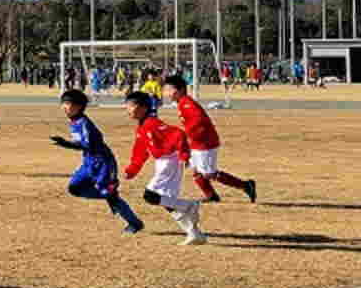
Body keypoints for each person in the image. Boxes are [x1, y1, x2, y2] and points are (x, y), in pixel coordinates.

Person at [52, 90, 145, 235]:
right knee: (74, 188)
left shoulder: (84, 123)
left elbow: (87, 144)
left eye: (68, 104)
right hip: (89, 163)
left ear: (79, 106)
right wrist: (68, 144)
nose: (64, 107)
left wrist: (67, 144)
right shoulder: (74, 121)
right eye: (63, 103)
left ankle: (134, 223)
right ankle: (108, 193)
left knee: (111, 196)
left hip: (103, 164)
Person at [120, 90, 205, 246]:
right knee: (167, 202)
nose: (128, 109)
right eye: (127, 106)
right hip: (163, 162)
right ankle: (194, 234)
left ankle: (189, 206)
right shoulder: (142, 128)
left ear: (144, 108)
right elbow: (140, 152)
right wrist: (132, 169)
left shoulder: (153, 124)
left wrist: (184, 155)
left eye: (131, 106)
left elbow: (178, 134)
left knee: (150, 196)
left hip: (170, 161)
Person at [160, 74, 256, 204]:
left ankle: (245, 185)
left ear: (180, 90)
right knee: (196, 171)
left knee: (209, 174)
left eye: (170, 90)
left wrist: (187, 133)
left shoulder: (187, 103)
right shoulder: (182, 103)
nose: (167, 93)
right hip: (196, 143)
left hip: (205, 143)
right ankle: (211, 196)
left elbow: (198, 119)